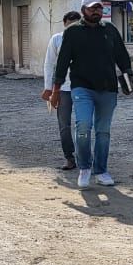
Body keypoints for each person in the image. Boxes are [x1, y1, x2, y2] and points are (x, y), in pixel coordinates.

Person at [50, 0, 133, 189]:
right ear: (83, 10)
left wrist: (128, 78)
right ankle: (85, 168)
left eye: (99, 8)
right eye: (92, 8)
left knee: (103, 132)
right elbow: (62, 62)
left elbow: (122, 56)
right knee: (83, 127)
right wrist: (55, 90)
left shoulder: (110, 30)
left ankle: (101, 171)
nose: (96, 11)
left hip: (108, 88)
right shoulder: (73, 32)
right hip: (82, 87)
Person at [42, 11, 82, 170]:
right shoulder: (57, 39)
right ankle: (69, 157)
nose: (73, 26)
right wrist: (48, 88)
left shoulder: (85, 39)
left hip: (82, 88)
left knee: (83, 124)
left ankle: (84, 156)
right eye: (70, 23)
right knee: (64, 125)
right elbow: (49, 64)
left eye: (76, 23)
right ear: (64, 23)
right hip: (63, 89)